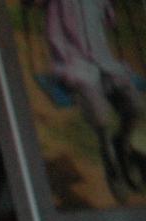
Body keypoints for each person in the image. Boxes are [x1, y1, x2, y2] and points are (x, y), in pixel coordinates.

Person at [45, 0, 145, 201]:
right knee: (100, 115)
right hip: (75, 64)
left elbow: (109, 19)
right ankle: (109, 156)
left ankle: (121, 144)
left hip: (105, 61)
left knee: (134, 105)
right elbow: (49, 27)